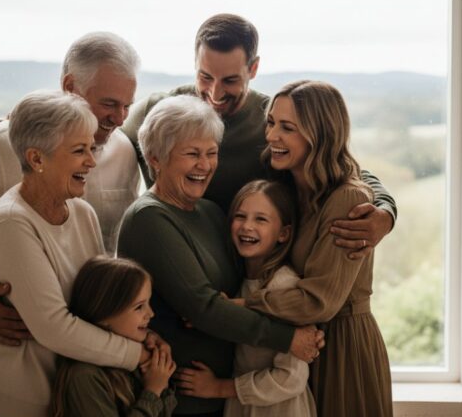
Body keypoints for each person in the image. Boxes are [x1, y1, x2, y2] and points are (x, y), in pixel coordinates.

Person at [117, 95, 324, 417]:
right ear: (156, 158)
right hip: (185, 397)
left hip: (230, 398)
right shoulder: (148, 218)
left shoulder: (211, 212)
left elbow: (229, 295)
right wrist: (288, 339)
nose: (205, 165)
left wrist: (218, 308)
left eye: (211, 153)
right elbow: (204, 307)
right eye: (191, 153)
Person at [0, 32, 143, 349]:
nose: (119, 117)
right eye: (108, 104)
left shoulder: (124, 150)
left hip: (88, 358)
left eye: (127, 106)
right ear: (71, 87)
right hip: (10, 354)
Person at [122, 13, 397, 258]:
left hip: (253, 269)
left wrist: (386, 212)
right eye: (205, 77)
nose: (215, 94)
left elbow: (341, 164)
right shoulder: (156, 112)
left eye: (230, 80)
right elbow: (100, 142)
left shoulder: (273, 121)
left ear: (253, 69)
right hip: (172, 257)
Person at [0, 91, 149, 417]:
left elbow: (96, 302)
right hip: (9, 406)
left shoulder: (81, 212)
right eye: (79, 151)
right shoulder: (11, 223)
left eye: (91, 148)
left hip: (62, 404)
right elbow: (55, 327)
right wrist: (138, 356)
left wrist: (145, 335)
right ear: (36, 158)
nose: (91, 161)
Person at [247, 80, 394, 417]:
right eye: (271, 123)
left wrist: (236, 306)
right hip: (298, 348)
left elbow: (319, 302)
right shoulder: (284, 181)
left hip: (341, 348)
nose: (272, 136)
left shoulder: (346, 198)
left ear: (320, 135)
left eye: (288, 128)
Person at [175, 179, 318, 417]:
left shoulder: (284, 286)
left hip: (278, 416)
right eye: (240, 216)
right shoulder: (240, 281)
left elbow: (292, 378)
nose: (247, 226)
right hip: (243, 410)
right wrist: (208, 318)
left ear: (283, 233)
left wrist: (218, 388)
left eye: (261, 219)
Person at [51, 256, 177, 417]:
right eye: (139, 307)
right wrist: (153, 391)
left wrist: (161, 385)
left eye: (148, 303)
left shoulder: (141, 359)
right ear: (104, 316)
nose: (151, 313)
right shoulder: (84, 376)